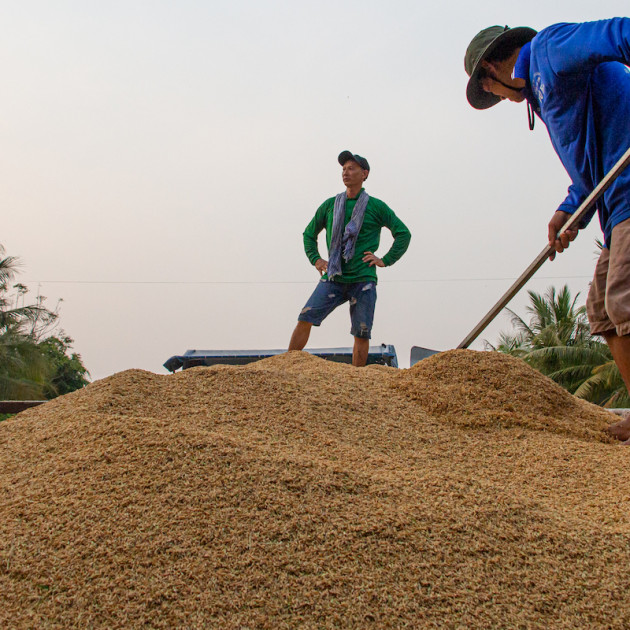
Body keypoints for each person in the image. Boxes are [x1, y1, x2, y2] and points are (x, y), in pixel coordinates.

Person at [464, 19, 630, 442]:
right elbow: (591, 172)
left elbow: (618, 33)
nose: (500, 99)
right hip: (614, 206)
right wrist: (568, 209)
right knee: (601, 310)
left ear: (491, 71)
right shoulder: (541, 93)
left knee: (624, 299)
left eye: (492, 92)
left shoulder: (550, 51)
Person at [288, 150, 411, 367]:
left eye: (351, 168)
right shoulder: (330, 205)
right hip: (335, 276)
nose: (346, 172)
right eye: (343, 169)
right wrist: (316, 259)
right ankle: (286, 365)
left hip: (363, 278)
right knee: (305, 317)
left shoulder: (376, 206)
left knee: (361, 332)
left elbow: (403, 233)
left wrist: (385, 259)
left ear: (364, 174)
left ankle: (358, 379)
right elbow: (309, 234)